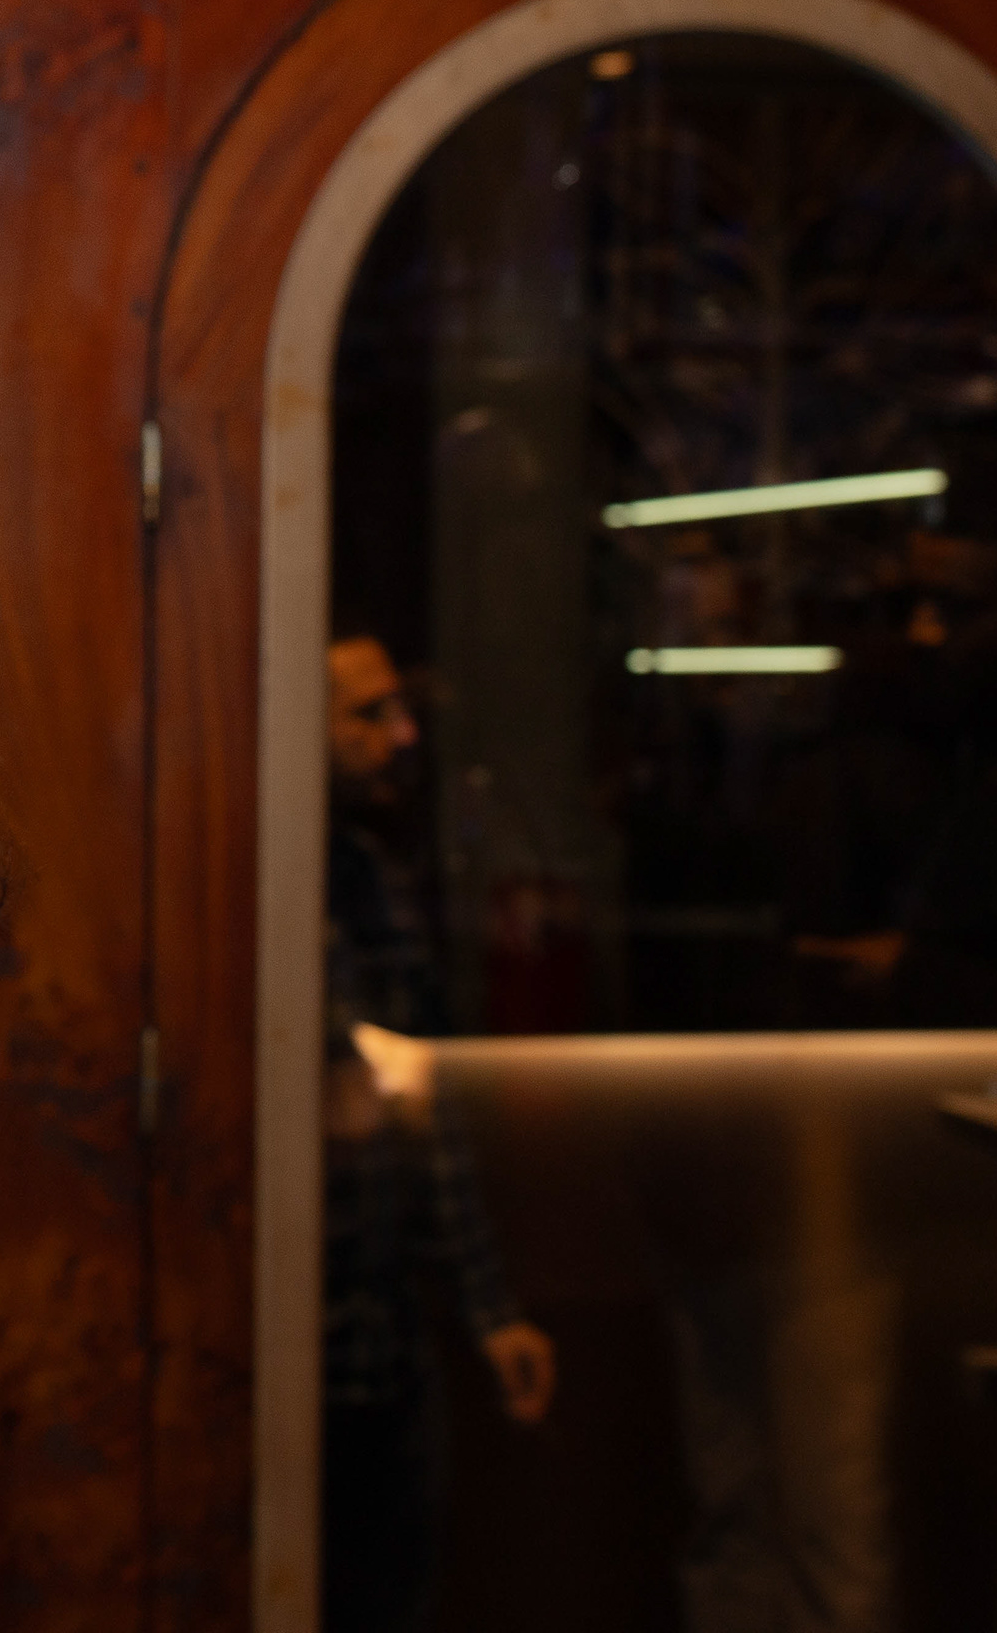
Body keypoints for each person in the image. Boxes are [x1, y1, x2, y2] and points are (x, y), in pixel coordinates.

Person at [320, 631, 555, 1633]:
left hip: (385, 1328)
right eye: (367, 714)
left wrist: (488, 1306)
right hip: (282, 1329)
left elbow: (423, 1108)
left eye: (399, 710)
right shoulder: (243, 879)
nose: (402, 735)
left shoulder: (370, 877)